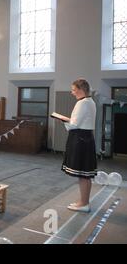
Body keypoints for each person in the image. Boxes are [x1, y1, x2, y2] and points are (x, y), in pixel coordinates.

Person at [60, 79, 97, 213]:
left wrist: (62, 120)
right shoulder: (90, 102)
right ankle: (83, 201)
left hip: (80, 139)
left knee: (83, 174)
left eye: (74, 90)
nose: (72, 92)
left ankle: (84, 203)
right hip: (86, 138)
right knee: (84, 174)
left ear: (81, 90)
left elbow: (74, 125)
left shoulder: (82, 103)